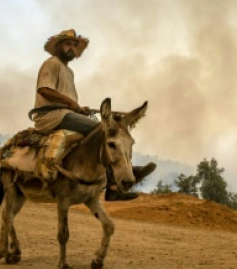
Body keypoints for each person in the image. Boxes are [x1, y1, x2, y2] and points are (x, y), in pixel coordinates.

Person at [30, 28, 155, 201]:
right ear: (58, 46)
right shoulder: (52, 63)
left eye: (74, 45)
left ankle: (108, 176)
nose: (71, 48)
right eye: (67, 44)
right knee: (103, 132)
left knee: (104, 134)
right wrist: (72, 104)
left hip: (64, 114)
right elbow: (44, 90)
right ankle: (112, 187)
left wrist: (78, 109)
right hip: (50, 117)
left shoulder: (69, 72)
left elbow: (66, 101)